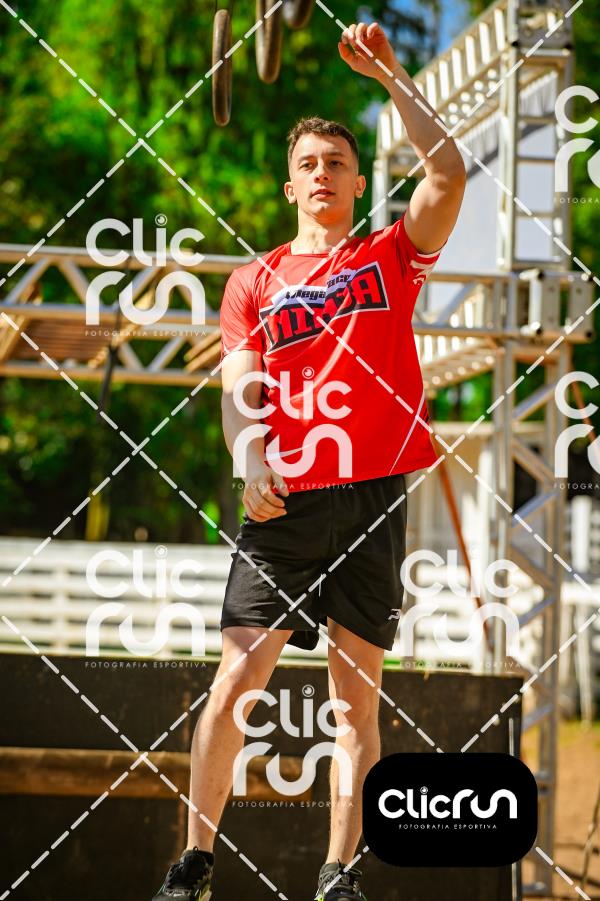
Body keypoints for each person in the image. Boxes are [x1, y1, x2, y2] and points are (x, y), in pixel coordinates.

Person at [152, 20, 465, 901]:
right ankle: (195, 864)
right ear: (289, 184)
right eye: (309, 164)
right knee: (235, 680)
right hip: (282, 502)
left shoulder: (390, 257)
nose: (322, 172)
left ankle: (337, 874)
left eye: (337, 162)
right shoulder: (252, 282)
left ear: (359, 181)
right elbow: (238, 388)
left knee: (354, 703)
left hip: (372, 498)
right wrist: (249, 455)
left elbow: (448, 174)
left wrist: (392, 73)